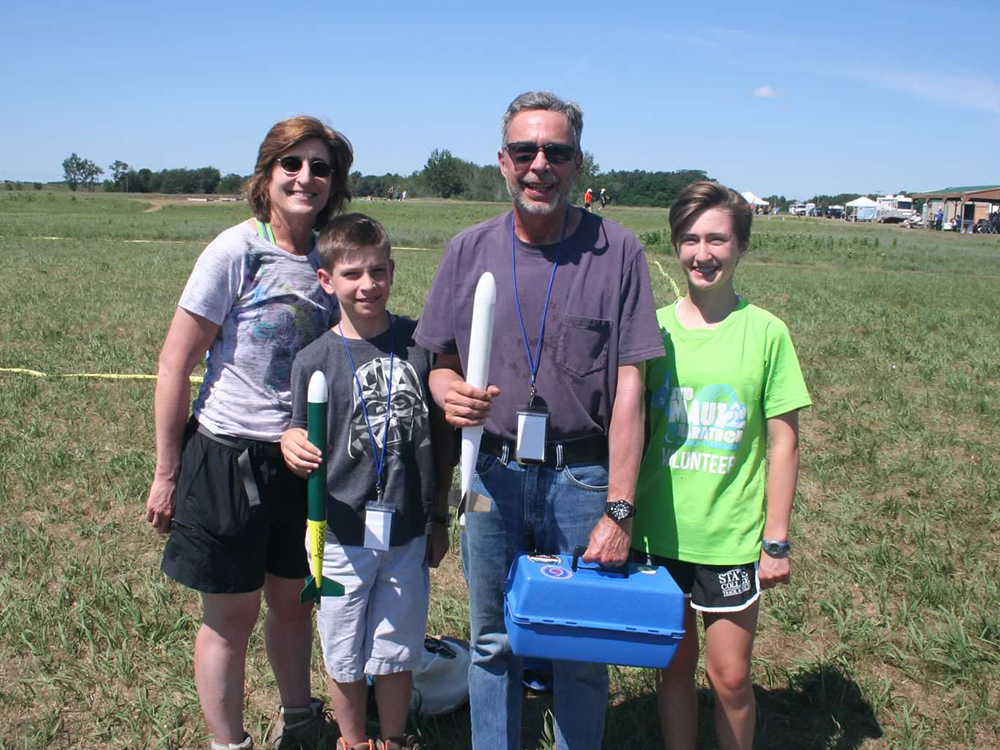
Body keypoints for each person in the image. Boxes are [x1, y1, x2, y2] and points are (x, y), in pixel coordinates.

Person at [414, 90, 664, 750]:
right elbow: (436, 356)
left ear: (578, 163)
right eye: (524, 151)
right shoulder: (468, 251)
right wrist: (445, 387)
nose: (539, 165)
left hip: (581, 479)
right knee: (492, 640)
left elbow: (631, 387)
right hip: (490, 474)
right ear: (502, 161)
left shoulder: (619, 252)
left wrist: (619, 508)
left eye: (555, 151)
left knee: (580, 651)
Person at [144, 115, 353, 750]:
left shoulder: (332, 257)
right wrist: (166, 471)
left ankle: (299, 721)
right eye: (292, 164)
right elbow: (175, 364)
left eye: (320, 167)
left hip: (302, 460)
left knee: (293, 606)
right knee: (230, 617)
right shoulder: (235, 250)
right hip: (228, 457)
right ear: (266, 178)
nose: (306, 178)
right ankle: (228, 743)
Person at [632, 181, 811, 750]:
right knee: (673, 669)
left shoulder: (767, 333)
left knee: (729, 676)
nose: (702, 253)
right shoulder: (652, 330)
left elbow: (783, 443)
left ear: (742, 247)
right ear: (674, 246)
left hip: (731, 539)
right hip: (657, 535)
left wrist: (775, 540)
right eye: (689, 239)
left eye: (717, 239)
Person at [280, 214, 453, 750]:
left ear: (393, 272)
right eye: (352, 273)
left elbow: (442, 443)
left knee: (396, 646)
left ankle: (395, 738)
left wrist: (438, 519)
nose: (367, 285)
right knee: (344, 647)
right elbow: (295, 429)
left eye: (378, 271)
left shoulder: (418, 345)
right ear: (327, 281)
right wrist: (290, 444)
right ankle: (353, 741)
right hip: (340, 537)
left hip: (406, 534)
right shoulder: (315, 360)